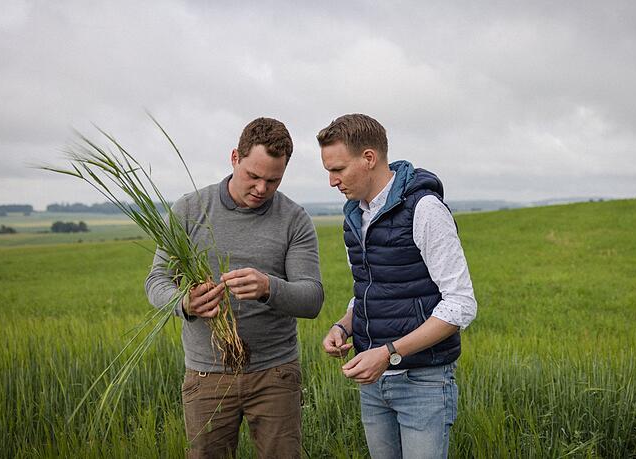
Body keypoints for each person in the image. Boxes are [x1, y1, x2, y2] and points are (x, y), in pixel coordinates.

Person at [145, 117, 323, 459]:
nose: (261, 188)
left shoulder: (294, 218)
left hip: (275, 373)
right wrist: (186, 303)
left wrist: (268, 287)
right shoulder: (188, 210)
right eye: (253, 176)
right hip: (206, 373)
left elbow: (312, 298)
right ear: (234, 158)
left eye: (273, 180)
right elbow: (156, 282)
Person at [317, 114, 477, 459]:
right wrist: (343, 325)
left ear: (369, 158)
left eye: (338, 169)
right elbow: (371, 289)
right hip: (373, 383)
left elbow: (461, 304)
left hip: (424, 383)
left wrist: (389, 352)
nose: (332, 181)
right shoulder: (354, 216)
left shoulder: (424, 209)